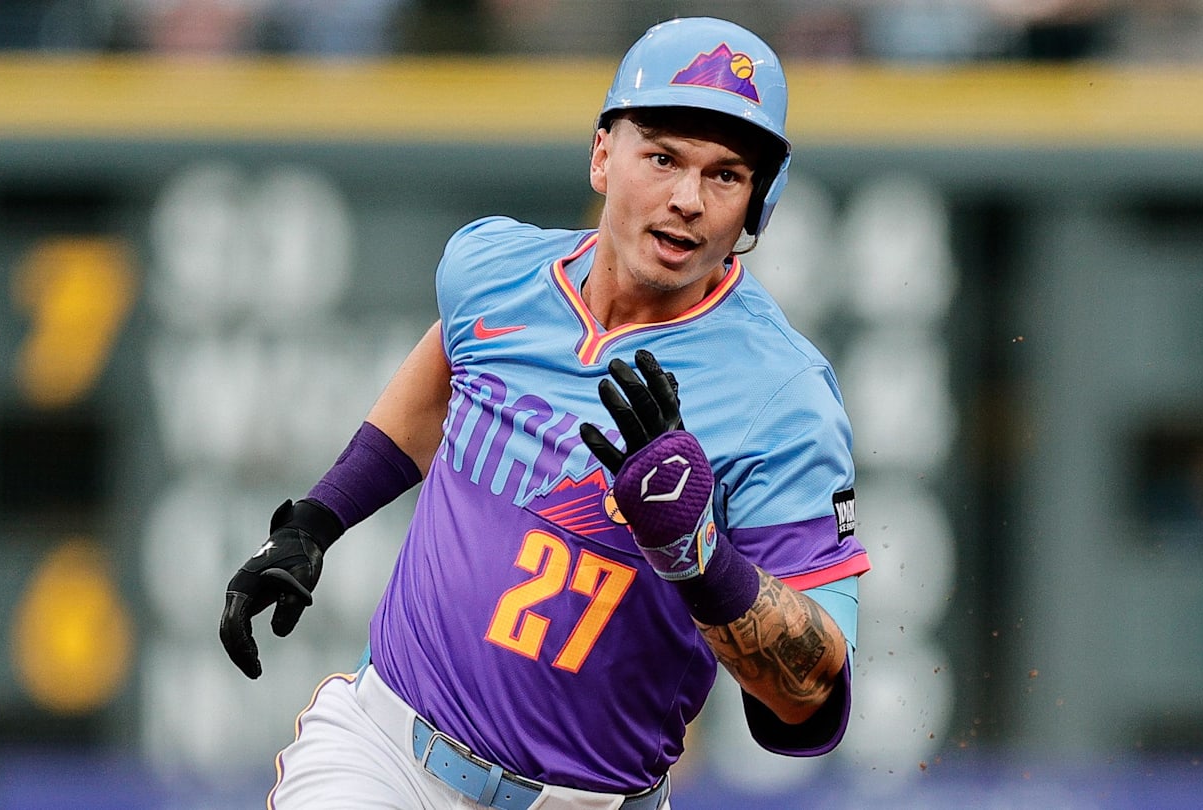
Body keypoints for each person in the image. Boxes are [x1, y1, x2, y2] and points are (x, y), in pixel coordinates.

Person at [218, 16, 871, 809]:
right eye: (662, 157)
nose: (688, 199)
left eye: (726, 175)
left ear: (756, 205)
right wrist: (315, 521)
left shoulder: (783, 397)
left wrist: (698, 555)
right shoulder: (493, 270)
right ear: (602, 155)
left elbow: (812, 698)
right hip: (384, 753)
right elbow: (441, 383)